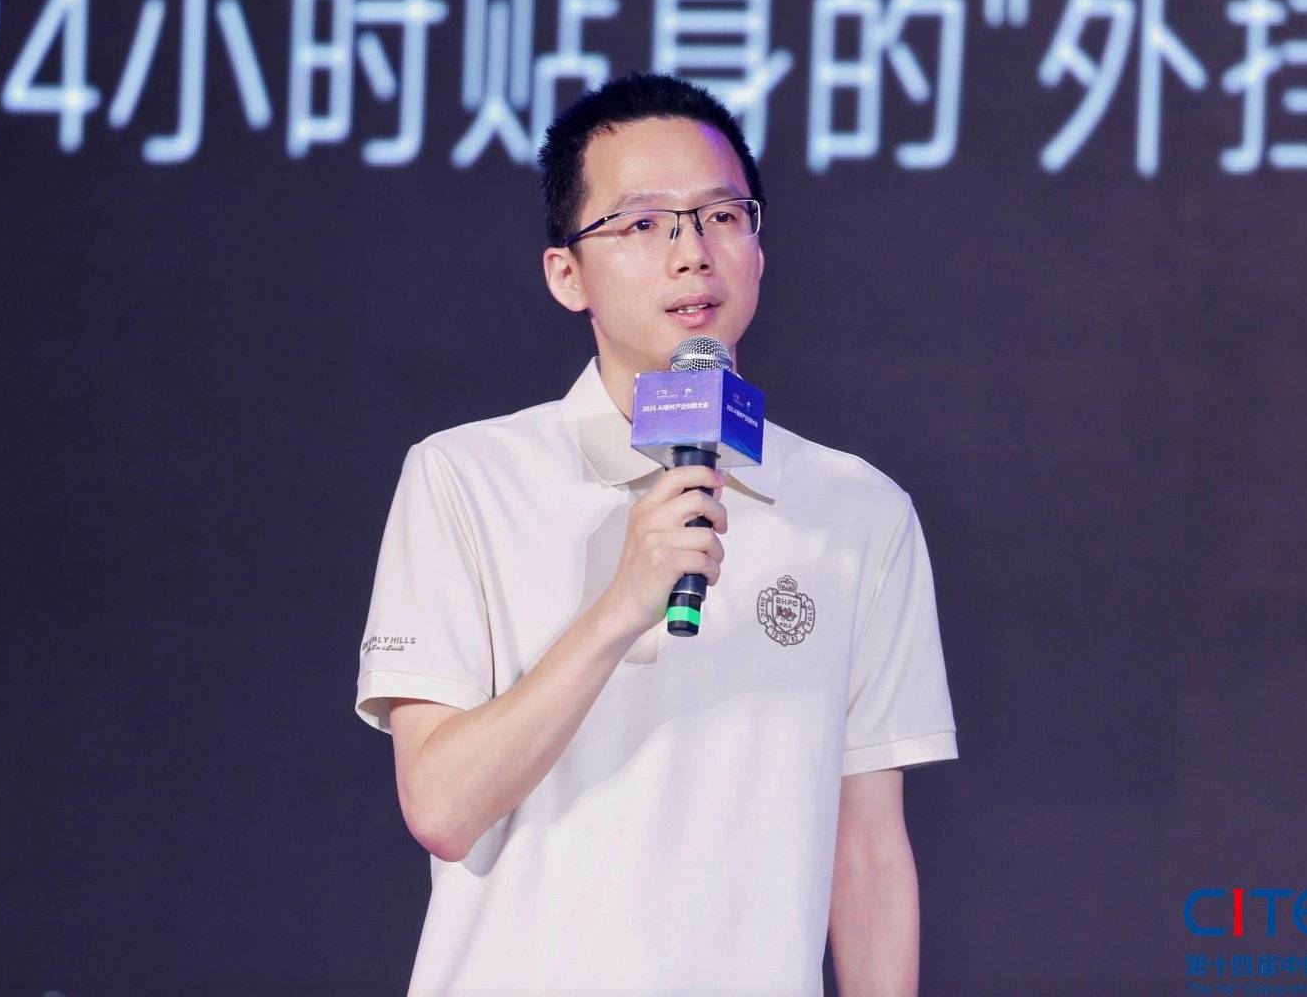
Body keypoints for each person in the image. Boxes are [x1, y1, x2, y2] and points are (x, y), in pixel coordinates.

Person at [355, 72, 957, 996]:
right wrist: (620, 606)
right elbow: (441, 807)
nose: (692, 253)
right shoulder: (466, 478)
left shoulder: (858, 512)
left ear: (759, 249)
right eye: (642, 224)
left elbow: (868, 850)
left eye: (722, 216)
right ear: (567, 275)